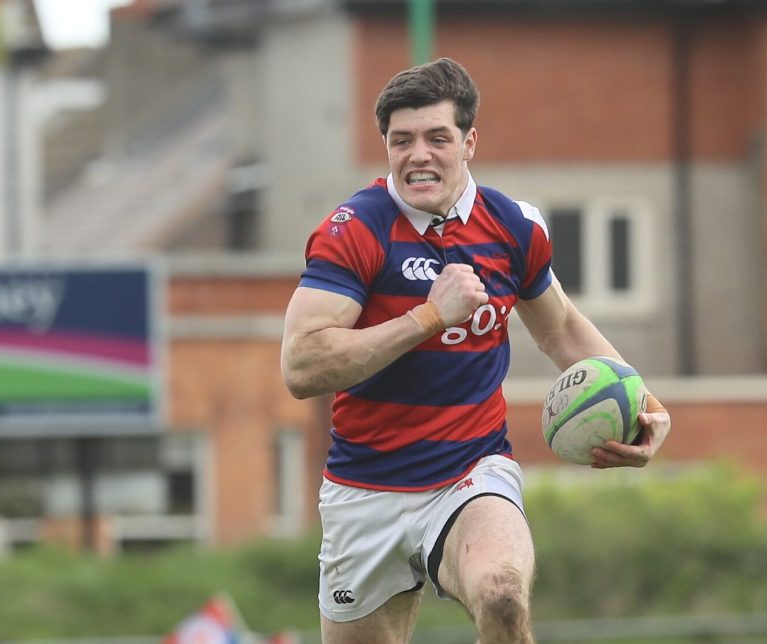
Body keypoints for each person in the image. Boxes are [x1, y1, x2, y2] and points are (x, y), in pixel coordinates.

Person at [280, 57, 672, 643]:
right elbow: (302, 365)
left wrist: (644, 404)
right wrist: (429, 317)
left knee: (503, 597)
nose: (419, 155)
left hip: (471, 472)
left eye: (437, 138)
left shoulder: (514, 227)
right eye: (401, 140)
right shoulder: (353, 230)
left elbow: (560, 328)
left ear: (469, 142)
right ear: (385, 145)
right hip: (365, 489)